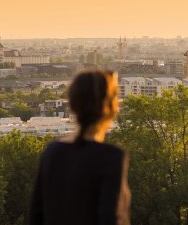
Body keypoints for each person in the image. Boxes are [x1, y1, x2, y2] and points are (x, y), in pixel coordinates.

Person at [29, 70, 131, 225]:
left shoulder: (52, 152)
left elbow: (35, 216)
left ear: (73, 105)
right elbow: (110, 218)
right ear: (111, 108)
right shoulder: (111, 157)